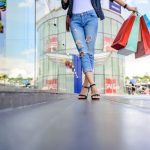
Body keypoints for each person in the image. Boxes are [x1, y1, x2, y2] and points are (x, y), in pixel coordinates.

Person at [61, 0, 137, 100]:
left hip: (91, 17)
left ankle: (85, 86)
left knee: (90, 52)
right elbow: (65, 5)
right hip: (75, 20)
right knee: (83, 51)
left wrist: (127, 7)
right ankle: (93, 85)